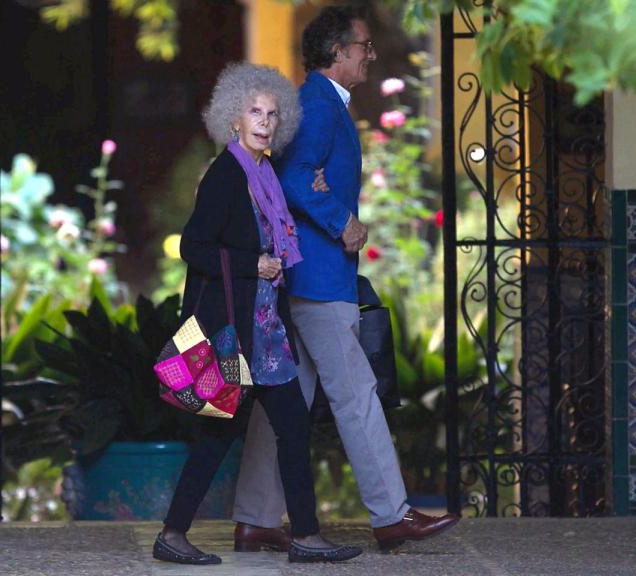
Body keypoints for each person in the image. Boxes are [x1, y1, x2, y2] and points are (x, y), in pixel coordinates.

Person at [231, 7, 460, 552]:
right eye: (363, 45)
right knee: (356, 395)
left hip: (306, 275)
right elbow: (291, 177)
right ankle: (392, 515)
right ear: (337, 53)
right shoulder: (317, 104)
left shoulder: (319, 102)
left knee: (286, 399)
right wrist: (343, 222)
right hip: (319, 275)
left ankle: (256, 519)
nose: (370, 53)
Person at [152, 63, 362, 566]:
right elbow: (193, 246)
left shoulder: (264, 174)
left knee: (292, 427)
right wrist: (254, 264)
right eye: (254, 112)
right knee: (218, 433)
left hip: (265, 329)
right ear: (233, 119)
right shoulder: (227, 175)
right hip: (234, 329)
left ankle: (306, 536)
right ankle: (173, 534)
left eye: (272, 114)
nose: (265, 122)